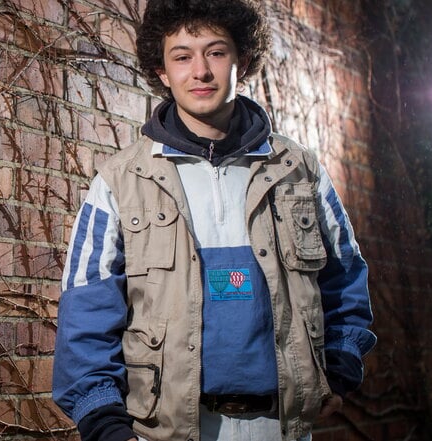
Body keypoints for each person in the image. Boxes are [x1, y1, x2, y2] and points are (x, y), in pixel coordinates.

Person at [51, 1, 377, 440]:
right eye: (182, 56)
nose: (201, 71)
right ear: (162, 71)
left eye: (216, 52)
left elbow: (345, 276)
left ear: (243, 59)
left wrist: (340, 365)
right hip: (163, 430)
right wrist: (103, 421)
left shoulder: (299, 170)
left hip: (283, 427)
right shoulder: (119, 181)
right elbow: (86, 309)